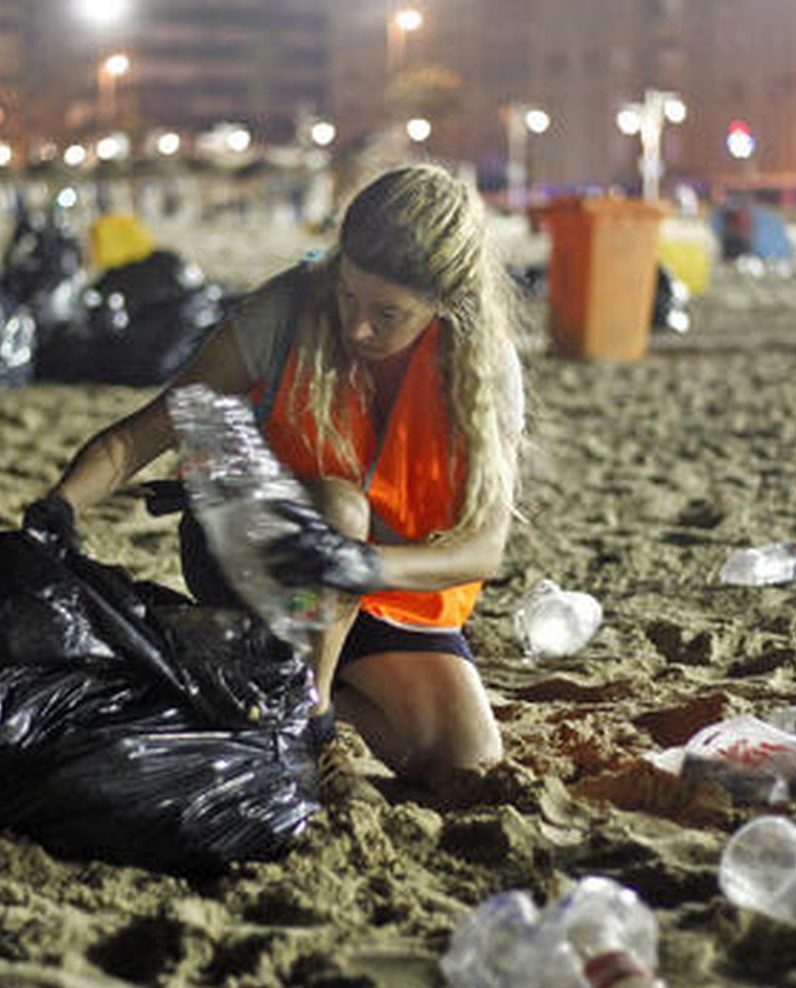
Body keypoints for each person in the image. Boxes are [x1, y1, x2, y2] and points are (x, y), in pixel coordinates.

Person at [29, 164, 524, 784]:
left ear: (444, 303)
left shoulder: (483, 366)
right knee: (341, 509)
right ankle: (309, 725)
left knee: (465, 761)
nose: (357, 326)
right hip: (260, 562)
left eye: (388, 313)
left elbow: (483, 549)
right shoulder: (285, 312)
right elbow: (144, 433)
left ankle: (246, 671)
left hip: (383, 587)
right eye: (348, 295)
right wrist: (59, 506)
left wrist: (362, 566)